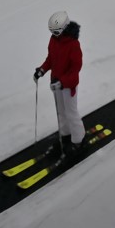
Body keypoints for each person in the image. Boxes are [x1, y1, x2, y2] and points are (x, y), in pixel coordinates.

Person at [34, 11, 85, 159]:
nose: (53, 34)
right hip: (55, 83)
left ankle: (78, 140)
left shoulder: (73, 44)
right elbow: (51, 59)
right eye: (51, 32)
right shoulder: (54, 40)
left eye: (56, 31)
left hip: (68, 86)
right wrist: (42, 70)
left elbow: (76, 68)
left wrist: (62, 82)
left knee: (71, 112)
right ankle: (65, 135)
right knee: (61, 112)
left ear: (64, 28)